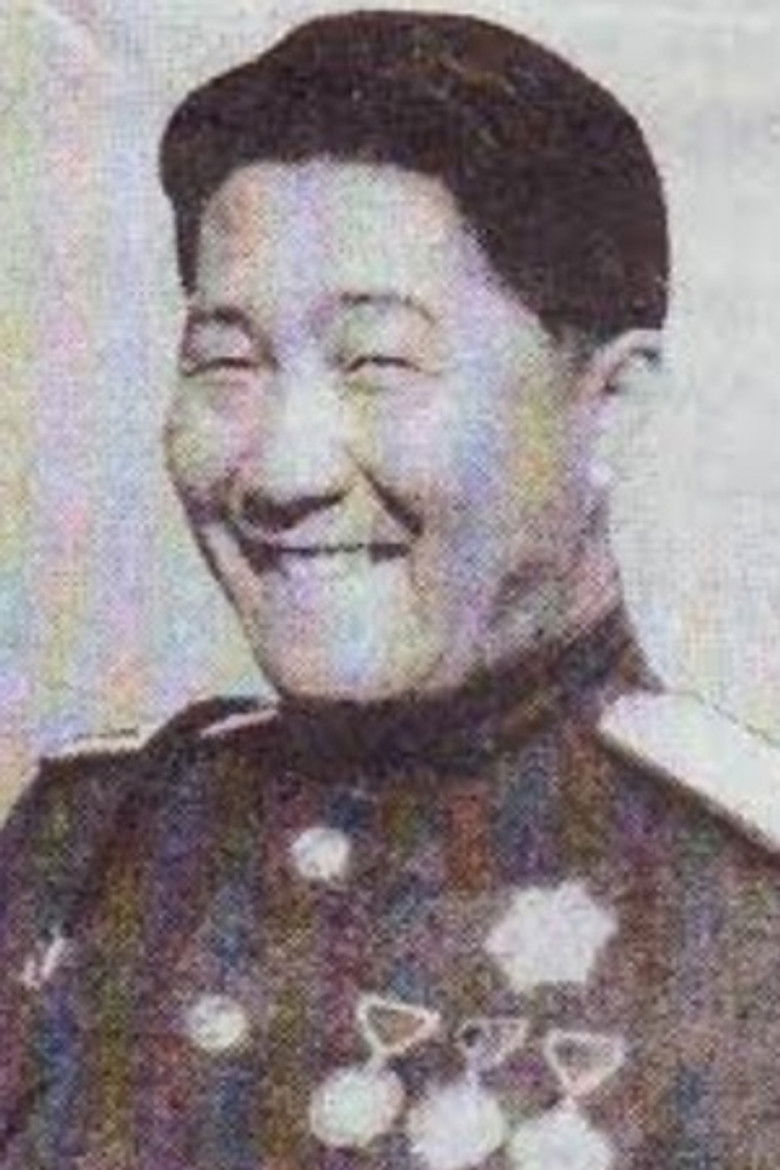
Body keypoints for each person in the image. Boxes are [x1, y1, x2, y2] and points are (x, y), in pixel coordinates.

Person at [1, 10, 779, 1168]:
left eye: (377, 363)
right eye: (227, 362)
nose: (282, 472)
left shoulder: (745, 919)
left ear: (609, 404)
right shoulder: (87, 847)